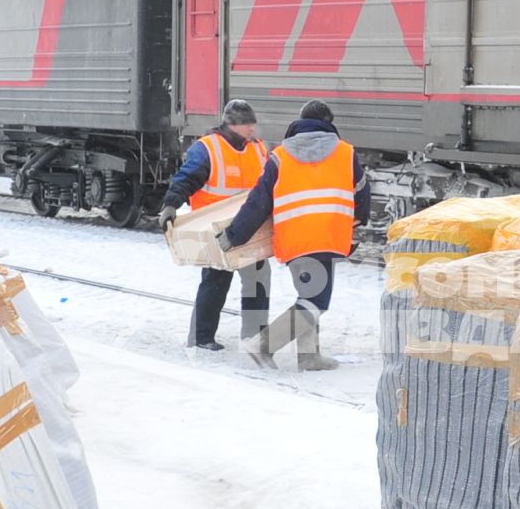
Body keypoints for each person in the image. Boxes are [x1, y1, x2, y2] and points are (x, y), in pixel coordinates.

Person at [218, 99, 370, 371]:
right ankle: (263, 345)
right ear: (329, 122)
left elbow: (258, 202)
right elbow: (362, 195)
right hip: (329, 236)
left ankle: (309, 357)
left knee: (309, 298)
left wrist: (234, 235)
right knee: (315, 302)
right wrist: (355, 230)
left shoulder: (280, 156)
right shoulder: (345, 153)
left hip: (295, 239)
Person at [158, 99, 271, 353]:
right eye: (247, 124)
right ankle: (201, 337)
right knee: (215, 281)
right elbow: (186, 178)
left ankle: (254, 336)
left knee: (258, 280)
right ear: (231, 124)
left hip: (249, 227)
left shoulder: (259, 149)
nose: (252, 129)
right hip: (215, 229)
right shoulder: (208, 148)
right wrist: (170, 204)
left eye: (253, 124)